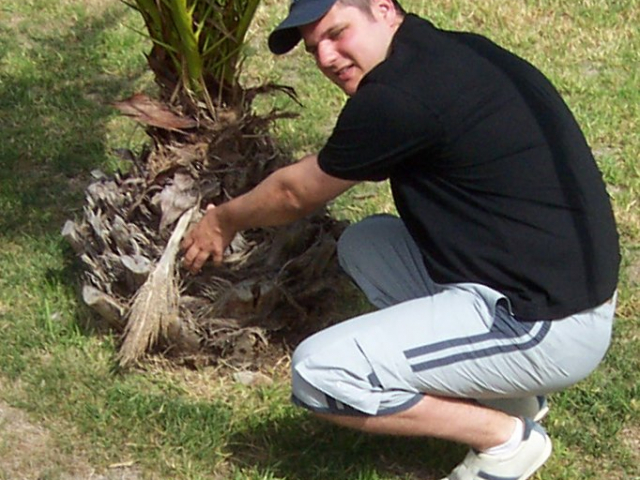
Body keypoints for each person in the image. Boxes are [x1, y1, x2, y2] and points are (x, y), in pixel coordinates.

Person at [181, 0, 620, 478]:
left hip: (546, 324)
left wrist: (222, 221)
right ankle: (514, 397)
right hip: (556, 283)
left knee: (321, 375)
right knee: (368, 245)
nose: (327, 57)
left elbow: (294, 194)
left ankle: (506, 441)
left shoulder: (400, 97)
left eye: (337, 32)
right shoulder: (453, 51)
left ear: (384, 9)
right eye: (314, 49)